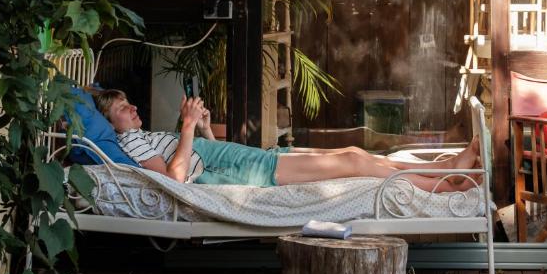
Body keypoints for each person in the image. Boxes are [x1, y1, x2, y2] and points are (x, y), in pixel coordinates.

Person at [92, 89, 480, 193]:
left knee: (354, 152)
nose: (132, 109)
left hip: (243, 158)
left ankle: (442, 170)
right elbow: (174, 180)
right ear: (110, 122)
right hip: (245, 169)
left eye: (129, 103)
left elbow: (198, 156)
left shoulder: (144, 135)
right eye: (122, 108)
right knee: (355, 164)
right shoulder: (130, 144)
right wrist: (188, 125)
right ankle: (445, 186)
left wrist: (204, 127)